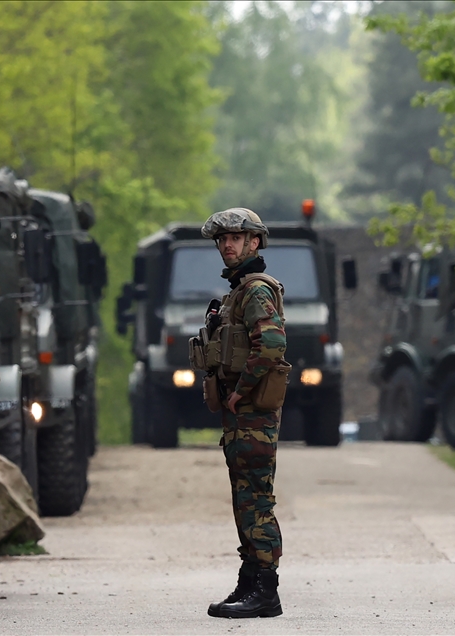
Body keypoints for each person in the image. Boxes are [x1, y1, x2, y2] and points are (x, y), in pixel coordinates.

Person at [196, 208, 288, 619]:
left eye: (236, 237)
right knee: (244, 498)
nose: (227, 245)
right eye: (223, 239)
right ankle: (250, 582)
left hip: (252, 414)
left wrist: (241, 391)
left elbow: (270, 345)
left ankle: (266, 591)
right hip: (242, 416)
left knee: (255, 501)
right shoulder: (239, 290)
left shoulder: (255, 291)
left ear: (255, 242)